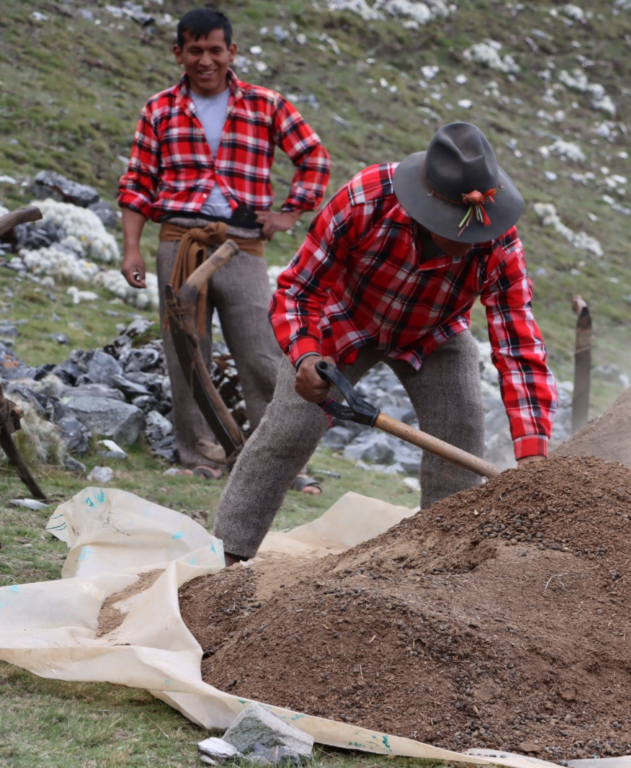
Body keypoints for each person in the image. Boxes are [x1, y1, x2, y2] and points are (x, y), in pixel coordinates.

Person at [213, 121, 557, 566]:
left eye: (472, 235)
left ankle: (441, 566)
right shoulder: (365, 199)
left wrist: (533, 455)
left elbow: (519, 348)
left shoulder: (498, 245)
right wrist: (306, 355)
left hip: (436, 331)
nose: (464, 243)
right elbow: (298, 290)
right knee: (290, 428)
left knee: (462, 431)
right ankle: (226, 557)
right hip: (346, 318)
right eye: (453, 231)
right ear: (423, 209)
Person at [117, 8, 330, 489]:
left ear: (231, 52)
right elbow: (135, 184)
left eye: (215, 50)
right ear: (179, 53)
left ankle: (278, 459)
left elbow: (312, 156)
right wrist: (132, 249)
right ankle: (200, 453)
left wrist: (290, 213)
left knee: (260, 351)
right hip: (178, 240)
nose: (206, 60)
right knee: (186, 350)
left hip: (242, 245)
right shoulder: (160, 108)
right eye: (195, 50)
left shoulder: (265, 104)